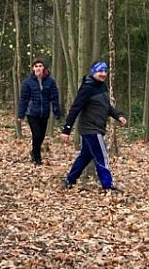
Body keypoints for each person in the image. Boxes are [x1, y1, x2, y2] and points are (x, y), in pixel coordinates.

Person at [60, 61, 128, 191]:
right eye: (100, 71)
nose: (103, 74)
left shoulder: (102, 87)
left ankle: (69, 180)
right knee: (102, 156)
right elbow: (75, 108)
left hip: (97, 128)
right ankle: (107, 185)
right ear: (93, 72)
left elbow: (106, 106)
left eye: (105, 71)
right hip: (91, 129)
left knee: (85, 156)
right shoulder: (87, 88)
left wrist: (118, 116)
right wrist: (67, 129)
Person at [17, 57, 62, 165]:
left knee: (41, 136)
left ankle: (34, 152)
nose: (38, 68)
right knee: (36, 135)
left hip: (44, 113)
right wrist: (21, 114)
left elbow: (54, 97)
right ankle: (37, 159)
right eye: (36, 66)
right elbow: (24, 99)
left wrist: (57, 112)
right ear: (33, 68)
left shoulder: (50, 82)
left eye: (40, 66)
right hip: (32, 113)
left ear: (44, 68)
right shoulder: (27, 82)